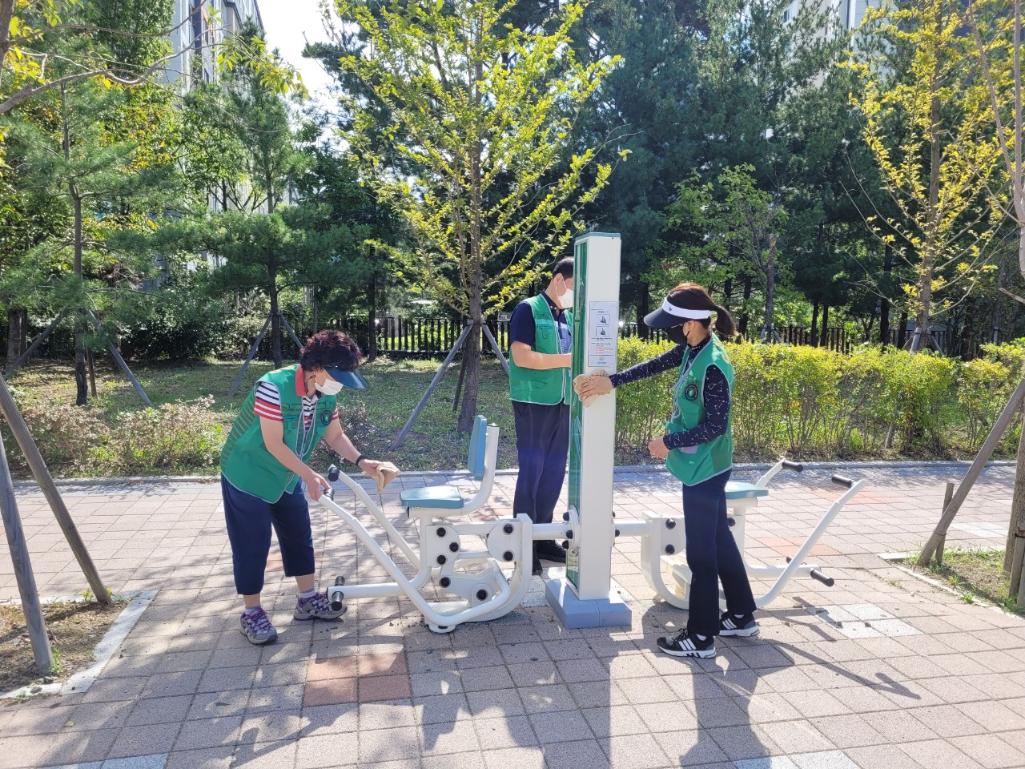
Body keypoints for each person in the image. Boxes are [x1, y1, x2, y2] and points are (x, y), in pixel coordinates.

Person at [574, 283, 758, 659]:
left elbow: (715, 427)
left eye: (672, 324)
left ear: (689, 324)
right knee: (720, 539)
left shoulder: (713, 364)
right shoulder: (694, 349)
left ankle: (701, 637)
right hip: (704, 466)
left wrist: (667, 443)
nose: (668, 330)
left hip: (706, 469)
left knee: (702, 555)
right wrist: (611, 382)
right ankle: (741, 615)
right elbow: (656, 364)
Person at [220, 329, 396, 645]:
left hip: (288, 473)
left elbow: (335, 435)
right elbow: (274, 444)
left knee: (298, 534)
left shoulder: (326, 392)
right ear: (315, 367)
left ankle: (307, 599)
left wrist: (362, 462)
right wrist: (308, 474)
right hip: (248, 473)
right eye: (337, 376)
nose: (339, 385)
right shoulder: (273, 387)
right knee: (252, 542)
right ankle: (251, 612)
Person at [508, 257, 575, 575]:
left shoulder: (569, 316)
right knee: (532, 473)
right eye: (575, 287)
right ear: (559, 280)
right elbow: (521, 356)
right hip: (532, 402)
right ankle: (523, 544)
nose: (576, 295)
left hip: (562, 402)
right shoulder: (528, 309)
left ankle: (544, 538)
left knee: (554, 472)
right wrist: (568, 360)